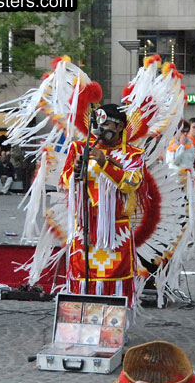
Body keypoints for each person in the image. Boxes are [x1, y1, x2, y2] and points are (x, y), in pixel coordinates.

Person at [62, 103, 145, 306]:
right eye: (99, 123)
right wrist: (75, 170)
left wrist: (105, 164)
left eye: (107, 123)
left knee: (116, 278)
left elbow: (132, 183)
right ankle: (83, 320)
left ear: (120, 127)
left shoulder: (133, 154)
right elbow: (65, 180)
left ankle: (113, 326)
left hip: (116, 231)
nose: (102, 128)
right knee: (83, 275)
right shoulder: (80, 149)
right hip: (86, 228)